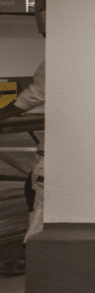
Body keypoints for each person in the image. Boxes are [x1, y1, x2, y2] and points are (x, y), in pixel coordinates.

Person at [0, 14, 43, 277]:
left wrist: (4, 114)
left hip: (60, 148)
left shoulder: (59, 60)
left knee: (40, 195)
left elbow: (34, 96)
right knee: (34, 191)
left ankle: (33, 255)